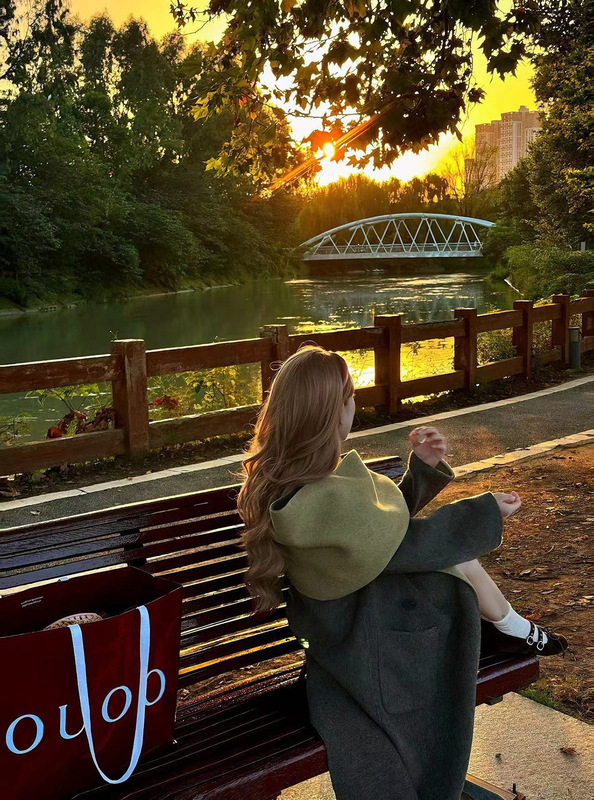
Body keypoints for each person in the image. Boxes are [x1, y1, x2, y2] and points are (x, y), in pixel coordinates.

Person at [236, 344, 568, 800]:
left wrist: (422, 473)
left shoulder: (294, 479)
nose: (355, 407)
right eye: (351, 399)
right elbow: (404, 544)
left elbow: (375, 535)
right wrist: (485, 511)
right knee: (452, 563)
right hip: (362, 634)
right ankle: (516, 629)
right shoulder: (315, 497)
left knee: (452, 562)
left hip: (353, 616)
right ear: (334, 415)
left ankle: (515, 628)